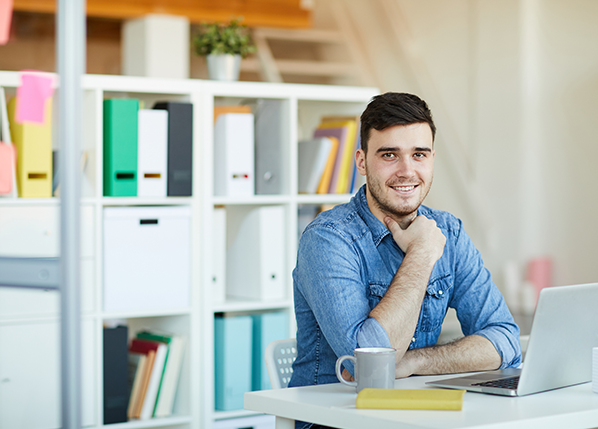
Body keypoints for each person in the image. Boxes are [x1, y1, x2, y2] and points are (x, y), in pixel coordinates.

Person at [289, 92, 521, 402]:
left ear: (432, 159)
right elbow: (367, 364)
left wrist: (416, 361)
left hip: (412, 409)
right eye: (389, 155)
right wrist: (421, 254)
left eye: (419, 154)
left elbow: (505, 340)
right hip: (333, 416)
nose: (407, 171)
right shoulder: (328, 238)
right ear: (362, 161)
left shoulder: (449, 231)